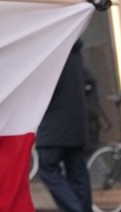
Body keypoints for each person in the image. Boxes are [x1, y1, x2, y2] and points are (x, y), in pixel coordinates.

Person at [35, 39, 92, 212]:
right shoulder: (76, 54)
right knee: (78, 174)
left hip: (54, 124)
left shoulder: (52, 53)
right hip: (77, 124)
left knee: (48, 169)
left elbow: (43, 89)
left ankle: (75, 209)